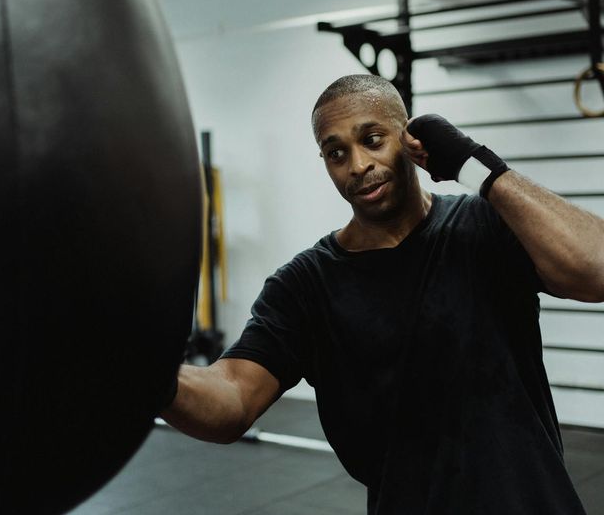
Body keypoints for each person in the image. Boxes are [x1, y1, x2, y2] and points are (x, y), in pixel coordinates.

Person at [161, 74, 604, 514]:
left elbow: (596, 270)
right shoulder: (306, 285)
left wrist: (478, 167)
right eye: (336, 153)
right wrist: (150, 375)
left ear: (408, 137)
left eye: (372, 139)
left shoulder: (486, 227)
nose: (357, 165)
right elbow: (234, 397)